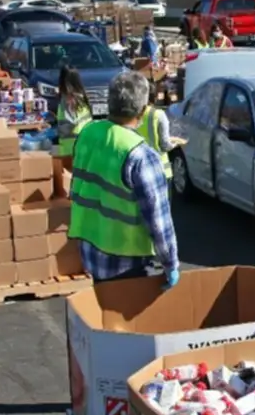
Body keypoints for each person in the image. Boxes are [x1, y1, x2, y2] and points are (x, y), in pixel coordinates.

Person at [68, 72, 179, 287]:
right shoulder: (141, 155)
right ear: (142, 109)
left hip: (91, 252)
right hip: (128, 261)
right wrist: (170, 264)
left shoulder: (88, 134)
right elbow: (158, 220)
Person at [55, 66, 92, 165]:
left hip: (70, 149)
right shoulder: (81, 98)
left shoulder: (68, 101)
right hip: (85, 146)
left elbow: (70, 123)